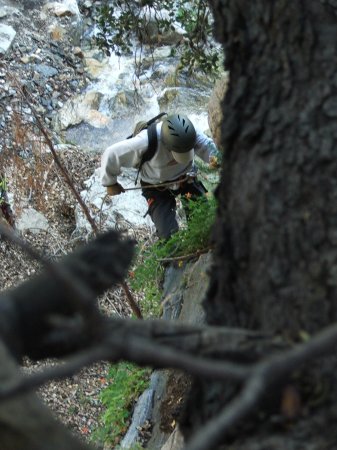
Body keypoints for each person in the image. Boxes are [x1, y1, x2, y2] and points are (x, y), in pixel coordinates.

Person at [100, 113, 219, 239]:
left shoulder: (191, 134)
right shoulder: (145, 142)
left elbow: (209, 148)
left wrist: (221, 160)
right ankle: (174, 253)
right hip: (156, 186)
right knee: (168, 235)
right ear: (167, 145)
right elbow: (111, 154)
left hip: (186, 178)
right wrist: (110, 183)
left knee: (204, 220)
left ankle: (200, 242)